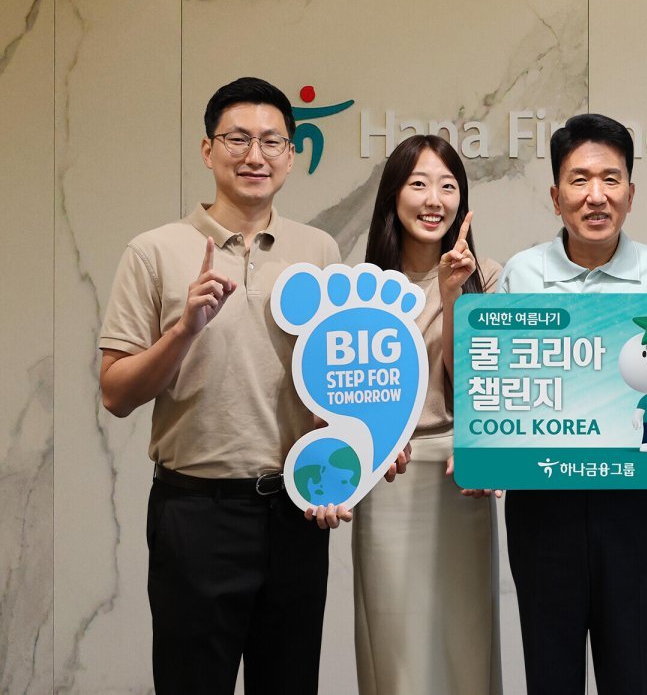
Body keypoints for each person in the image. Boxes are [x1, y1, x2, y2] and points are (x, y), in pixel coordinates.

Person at [97, 77, 379, 695]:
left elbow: (337, 387)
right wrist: (183, 330)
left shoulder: (318, 250)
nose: (256, 155)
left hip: (295, 514)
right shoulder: (154, 252)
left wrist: (354, 459)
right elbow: (115, 394)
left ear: (291, 155)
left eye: (272, 141)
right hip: (196, 514)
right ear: (208, 150)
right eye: (238, 139)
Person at [496, 112, 647, 694]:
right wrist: (487, 453)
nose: (596, 195)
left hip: (633, 505)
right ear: (556, 196)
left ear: (631, 192)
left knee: (631, 671)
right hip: (542, 505)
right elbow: (504, 385)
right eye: (579, 180)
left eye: (611, 179)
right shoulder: (522, 274)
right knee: (549, 674)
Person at [353, 134, 503, 694]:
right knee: (397, 647)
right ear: (394, 195)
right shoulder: (362, 287)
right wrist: (371, 440)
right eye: (418, 184)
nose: (434, 199)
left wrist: (452, 292)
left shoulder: (487, 275)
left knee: (465, 643)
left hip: (460, 474)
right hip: (387, 475)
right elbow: (345, 399)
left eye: (448, 186)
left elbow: (474, 388)